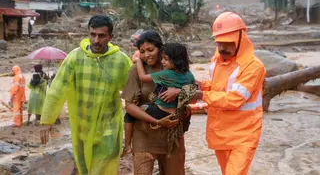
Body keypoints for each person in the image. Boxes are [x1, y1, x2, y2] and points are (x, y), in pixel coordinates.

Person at [39, 15, 132, 175]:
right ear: (88, 34)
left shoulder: (121, 61)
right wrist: (47, 120)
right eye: (93, 34)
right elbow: (57, 88)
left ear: (111, 37)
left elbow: (133, 89)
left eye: (101, 36)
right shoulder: (75, 58)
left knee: (102, 169)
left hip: (109, 127)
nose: (96, 40)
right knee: (84, 169)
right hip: (82, 126)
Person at [192, 12, 266, 175]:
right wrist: (201, 85)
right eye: (219, 43)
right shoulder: (217, 60)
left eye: (228, 43)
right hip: (221, 132)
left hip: (244, 135)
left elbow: (235, 99)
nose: (222, 48)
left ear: (241, 39)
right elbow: (218, 86)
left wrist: (201, 96)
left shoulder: (253, 67)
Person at [122, 30, 186, 175]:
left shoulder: (175, 68)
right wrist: (156, 122)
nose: (146, 55)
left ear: (160, 49)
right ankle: (127, 146)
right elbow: (129, 106)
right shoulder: (136, 71)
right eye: (142, 51)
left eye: (151, 50)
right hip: (144, 135)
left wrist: (178, 92)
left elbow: (195, 92)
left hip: (172, 136)